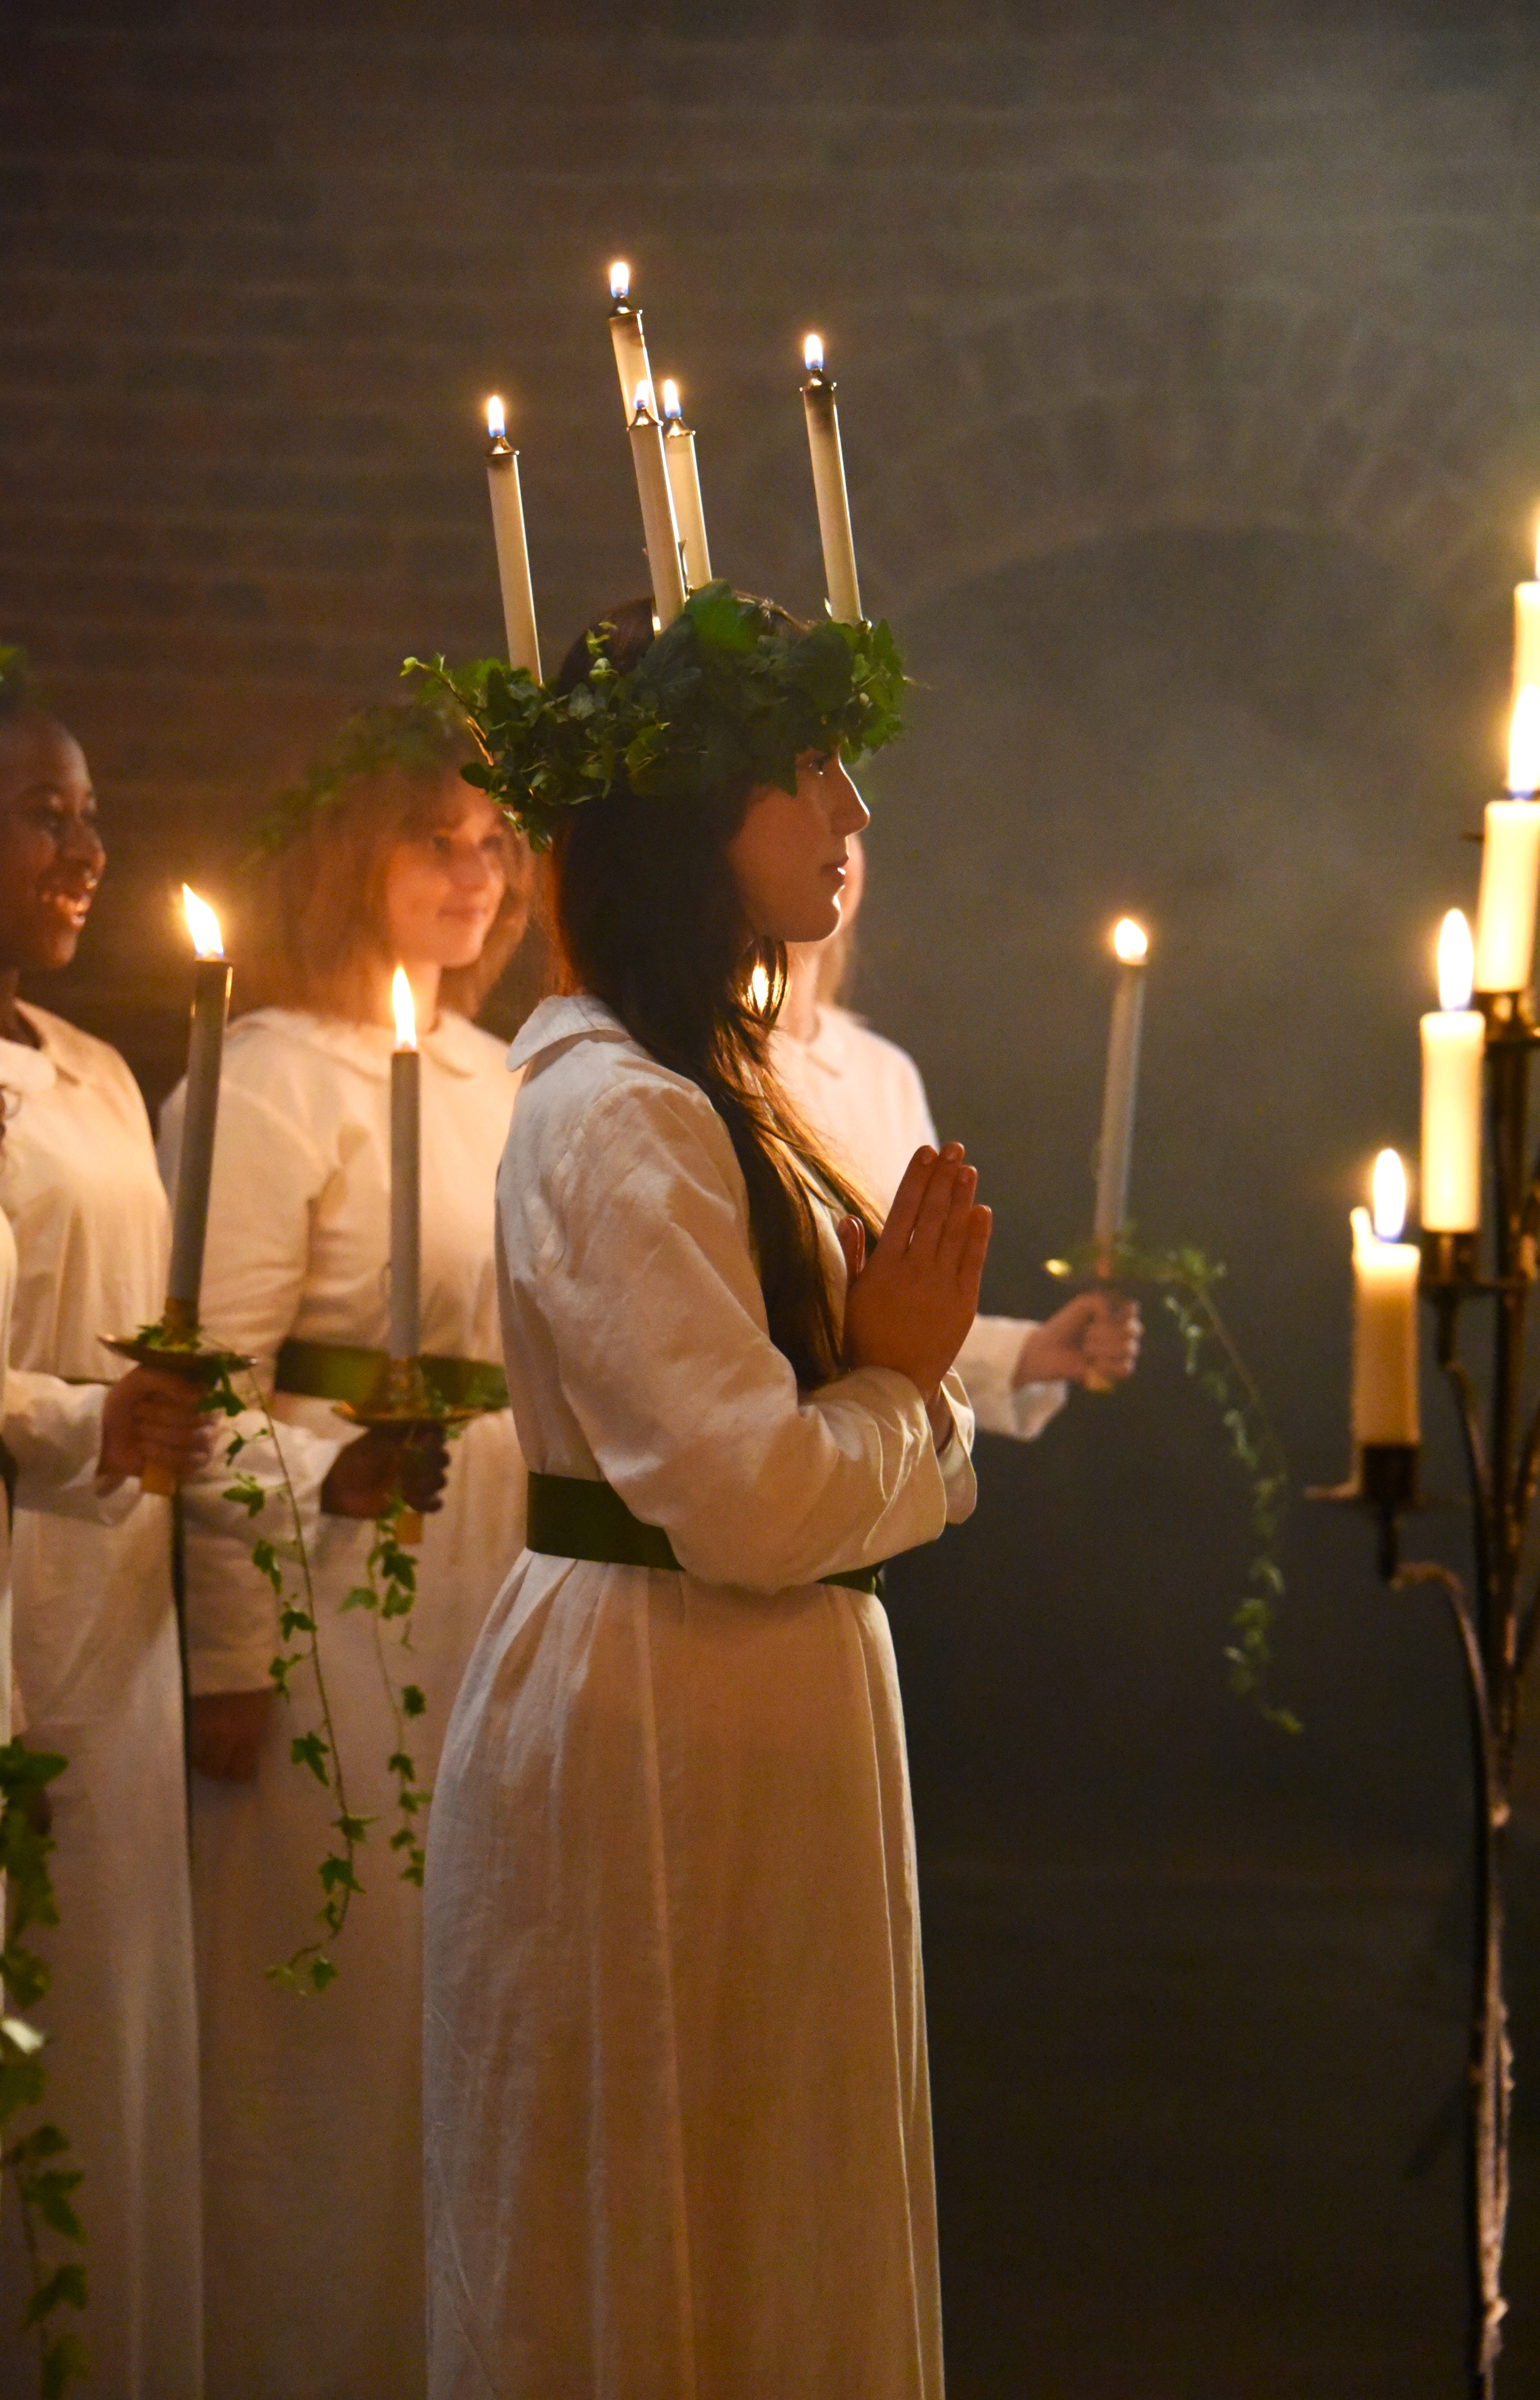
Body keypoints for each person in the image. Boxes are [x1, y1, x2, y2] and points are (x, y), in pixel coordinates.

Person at [424, 590, 990, 2398]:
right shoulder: (620, 1109)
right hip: (667, 1707)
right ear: (689, 812)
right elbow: (745, 1496)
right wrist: (902, 1388)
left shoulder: (705, 1082)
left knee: (772, 2198)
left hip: (742, 1709)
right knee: (672, 2225)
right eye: (806, 770)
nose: (852, 814)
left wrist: (899, 1389)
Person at [164, 698, 533, 2400]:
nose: (475, 875)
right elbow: (204, 1382)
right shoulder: (269, 1074)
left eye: (497, 845)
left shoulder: (503, 1075)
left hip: (490, 1568)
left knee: (470, 1990)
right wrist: (234, 1649)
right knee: (333, 2001)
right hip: (330, 1570)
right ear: (346, 856)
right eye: (434, 841)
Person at [0, 648, 215, 2399]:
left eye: (92, 817)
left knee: (107, 2005)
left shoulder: (89, 1066)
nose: (85, 851)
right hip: (19, 1573)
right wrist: (86, 1418)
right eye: (41, 814)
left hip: (119, 1593)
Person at [772, 829, 1141, 1425]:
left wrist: (1026, 1354)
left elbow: (906, 1327)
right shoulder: (693, 1069)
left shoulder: (883, 1075)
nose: (843, 828)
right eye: (805, 797)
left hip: (881, 1461)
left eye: (857, 828)